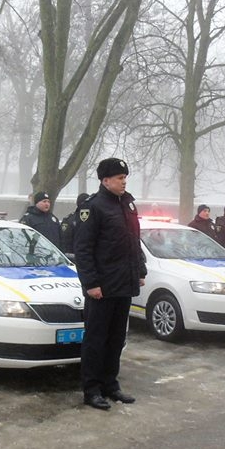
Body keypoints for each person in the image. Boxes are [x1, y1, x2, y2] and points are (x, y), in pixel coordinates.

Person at [74, 157, 147, 411]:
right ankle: (91, 389)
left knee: (117, 338)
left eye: (125, 177)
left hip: (124, 284)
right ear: (105, 181)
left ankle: (110, 385)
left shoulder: (127, 205)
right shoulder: (92, 207)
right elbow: (83, 250)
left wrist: (140, 269)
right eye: (119, 178)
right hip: (102, 288)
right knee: (96, 340)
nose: (124, 181)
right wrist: (91, 283)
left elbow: (134, 241)